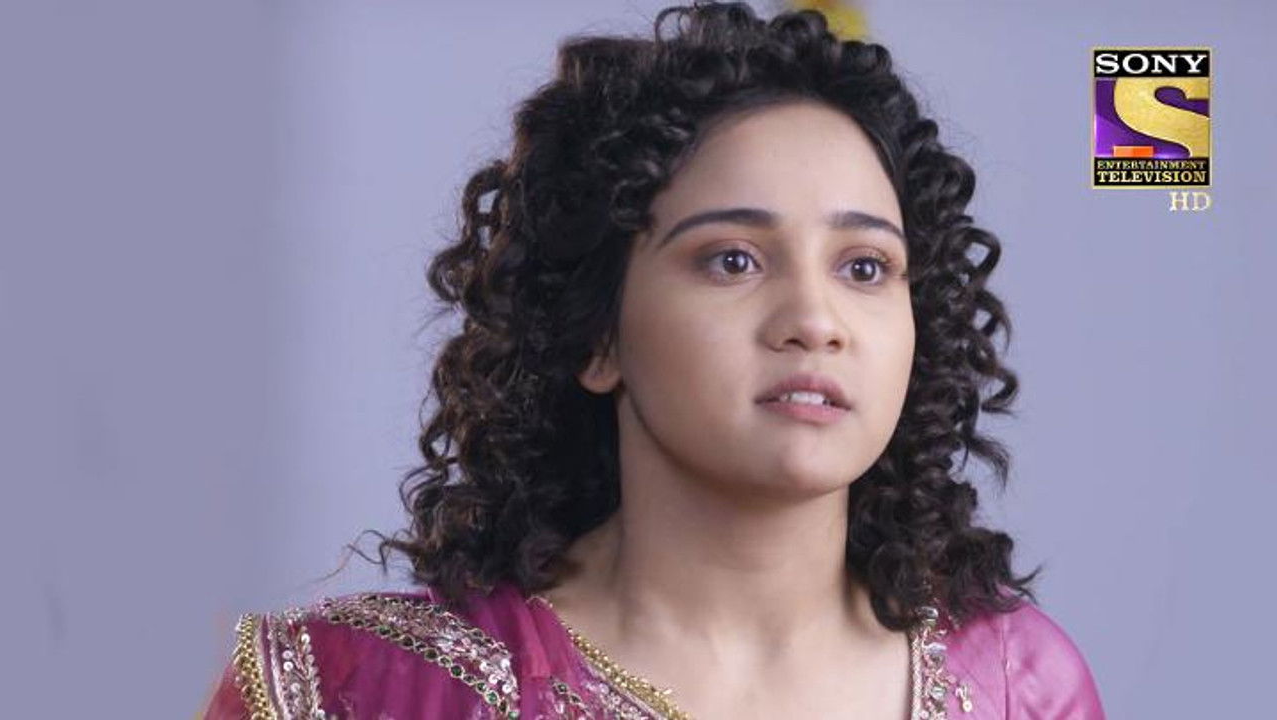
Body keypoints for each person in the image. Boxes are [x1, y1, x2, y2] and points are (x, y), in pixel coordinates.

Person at [202, 2, 1106, 718]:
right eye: (732, 261)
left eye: (864, 267)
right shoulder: (360, 690)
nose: (814, 321)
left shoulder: (1018, 686)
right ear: (598, 334)